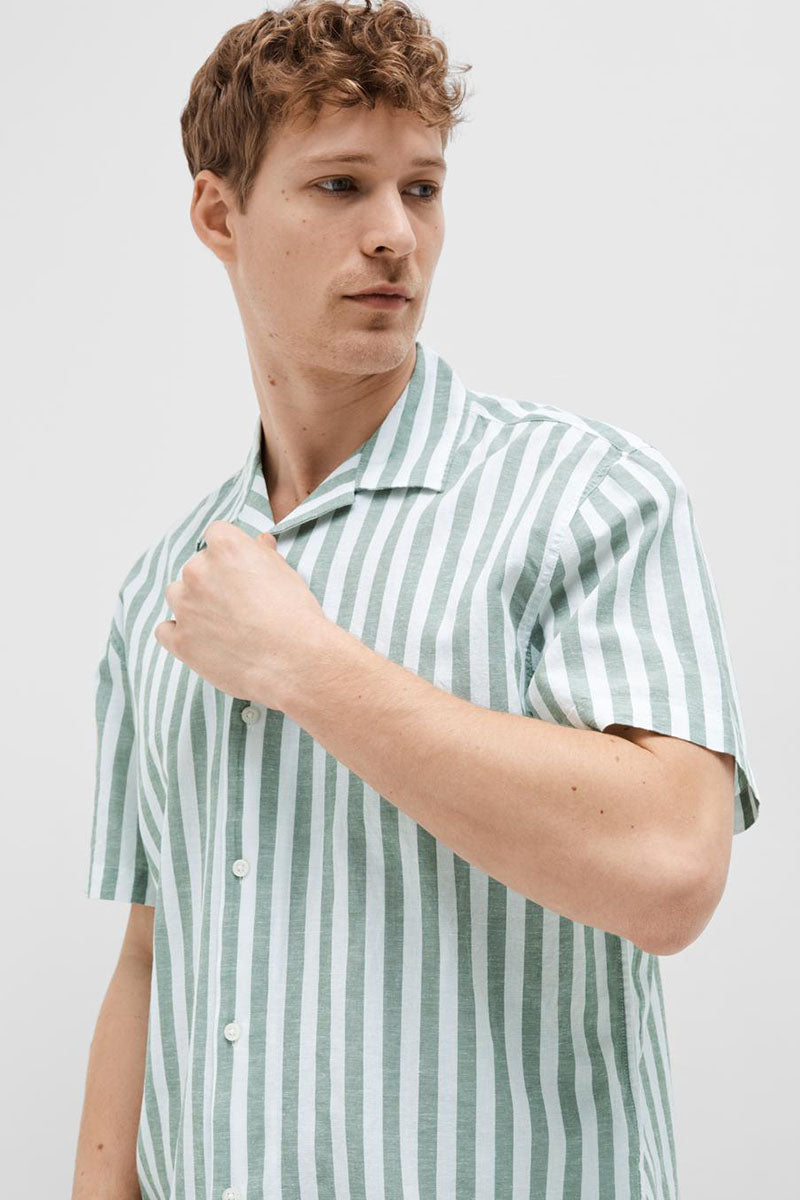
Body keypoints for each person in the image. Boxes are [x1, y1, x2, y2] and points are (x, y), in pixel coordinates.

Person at [72, 2, 761, 1198]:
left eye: (422, 189)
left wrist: (306, 667)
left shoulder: (584, 496)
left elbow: (668, 869)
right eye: (340, 185)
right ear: (219, 215)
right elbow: (148, 950)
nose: (394, 234)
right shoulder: (170, 584)